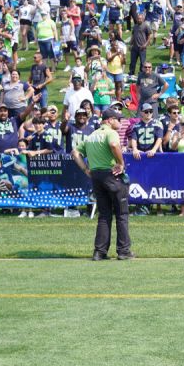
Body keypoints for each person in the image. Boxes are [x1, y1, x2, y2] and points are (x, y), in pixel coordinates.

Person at [71, 108, 132, 261]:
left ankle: (99, 252)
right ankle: (123, 251)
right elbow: (113, 145)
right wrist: (121, 163)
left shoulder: (91, 135)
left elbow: (75, 153)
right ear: (109, 120)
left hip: (96, 176)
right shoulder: (111, 133)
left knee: (104, 215)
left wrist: (85, 168)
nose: (120, 122)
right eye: (118, 119)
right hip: (112, 175)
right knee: (122, 214)